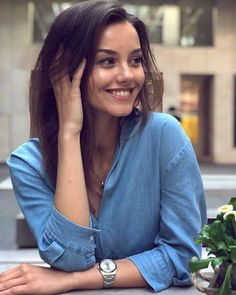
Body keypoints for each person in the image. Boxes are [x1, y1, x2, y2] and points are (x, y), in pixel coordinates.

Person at [1, 1, 206, 294]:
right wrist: (69, 134)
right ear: (64, 73)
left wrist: (74, 280)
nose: (127, 75)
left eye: (135, 60)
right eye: (107, 61)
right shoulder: (28, 164)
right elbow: (70, 257)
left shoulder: (165, 137)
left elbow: (183, 258)